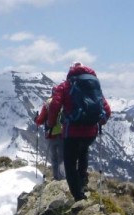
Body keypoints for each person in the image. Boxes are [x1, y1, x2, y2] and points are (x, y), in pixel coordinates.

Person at [45, 62, 111, 201]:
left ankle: (78, 196)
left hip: (72, 132)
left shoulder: (65, 86)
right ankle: (82, 182)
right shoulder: (94, 86)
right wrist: (100, 121)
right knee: (83, 153)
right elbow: (107, 110)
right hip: (91, 132)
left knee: (70, 164)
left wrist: (50, 124)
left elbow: (54, 105)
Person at [34, 98, 64, 180]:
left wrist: (36, 119)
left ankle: (56, 177)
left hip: (51, 134)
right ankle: (63, 178)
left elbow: (40, 120)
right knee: (62, 158)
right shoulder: (64, 102)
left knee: (54, 157)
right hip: (63, 134)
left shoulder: (48, 104)